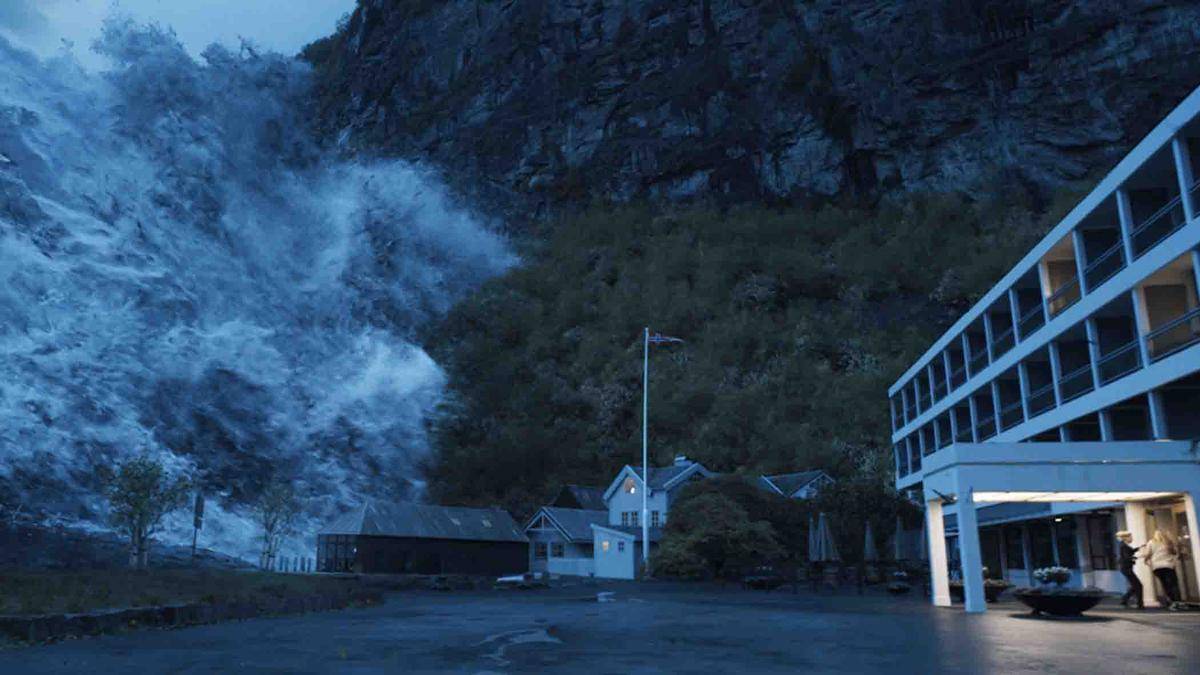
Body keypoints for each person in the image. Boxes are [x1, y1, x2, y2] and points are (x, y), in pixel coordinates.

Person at [1142, 529, 1182, 609]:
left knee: (1165, 584)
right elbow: (1175, 552)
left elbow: (1148, 554)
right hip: (1168, 565)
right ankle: (1177, 601)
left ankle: (1170, 601)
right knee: (1173, 584)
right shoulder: (1168, 542)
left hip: (1157, 567)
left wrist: (1146, 561)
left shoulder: (1151, 542)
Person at [1116, 531, 1144, 609]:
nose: (1131, 538)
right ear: (1125, 537)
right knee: (1138, 585)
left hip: (1125, 568)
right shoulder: (1123, 546)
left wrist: (1139, 548)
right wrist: (1138, 557)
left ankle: (1124, 600)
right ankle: (1139, 604)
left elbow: (1130, 552)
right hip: (1126, 568)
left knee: (1135, 585)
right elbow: (1127, 557)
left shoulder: (1123, 545)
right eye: (1130, 537)